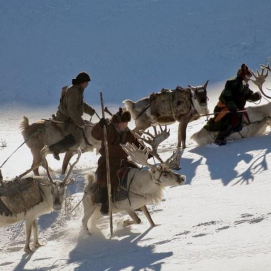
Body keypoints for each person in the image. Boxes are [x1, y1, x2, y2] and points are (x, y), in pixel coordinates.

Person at [91, 108, 142, 215]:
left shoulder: (127, 132)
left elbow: (136, 143)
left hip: (123, 160)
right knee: (108, 179)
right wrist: (100, 126)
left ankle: (136, 201)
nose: (125, 125)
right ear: (117, 123)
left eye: (127, 123)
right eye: (123, 123)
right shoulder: (108, 128)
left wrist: (148, 154)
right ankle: (105, 203)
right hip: (108, 160)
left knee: (137, 172)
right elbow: (95, 134)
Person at [205, 63, 261, 146]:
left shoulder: (245, 85)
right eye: (248, 77)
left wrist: (255, 96)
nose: (249, 79)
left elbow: (248, 95)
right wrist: (233, 108)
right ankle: (219, 138)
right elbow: (227, 97)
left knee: (238, 123)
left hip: (236, 108)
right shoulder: (232, 83)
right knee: (232, 121)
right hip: (225, 108)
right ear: (242, 76)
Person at [49, 72, 96, 160]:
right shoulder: (74, 91)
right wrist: (80, 123)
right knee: (77, 134)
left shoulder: (78, 90)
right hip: (65, 119)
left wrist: (91, 111)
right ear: (82, 82)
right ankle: (56, 148)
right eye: (86, 82)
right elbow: (72, 110)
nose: (87, 84)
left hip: (70, 118)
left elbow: (81, 104)